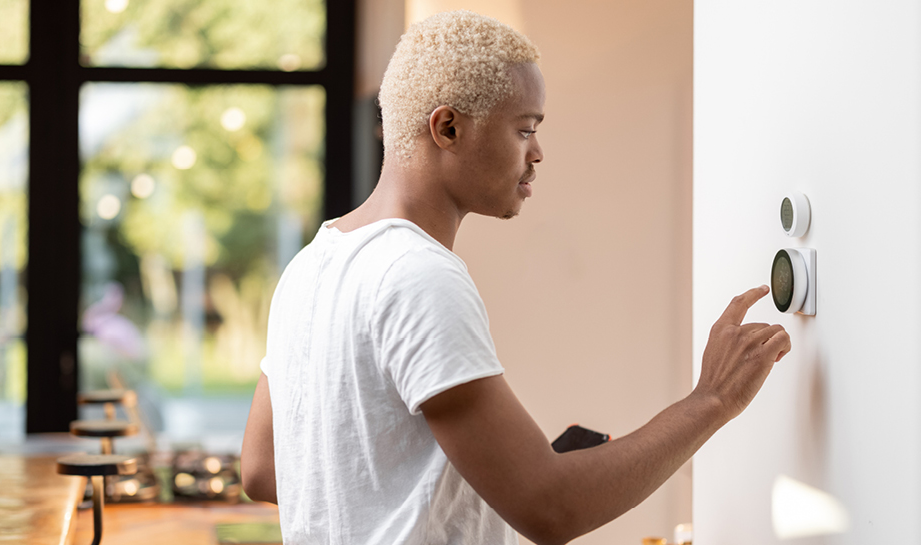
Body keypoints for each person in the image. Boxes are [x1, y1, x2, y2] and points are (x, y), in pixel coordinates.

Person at [241, 10, 791, 545]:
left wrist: (482, 478)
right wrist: (711, 400)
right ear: (448, 127)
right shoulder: (418, 276)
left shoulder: (311, 265)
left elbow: (264, 471)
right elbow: (550, 509)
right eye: (525, 128)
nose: (538, 152)